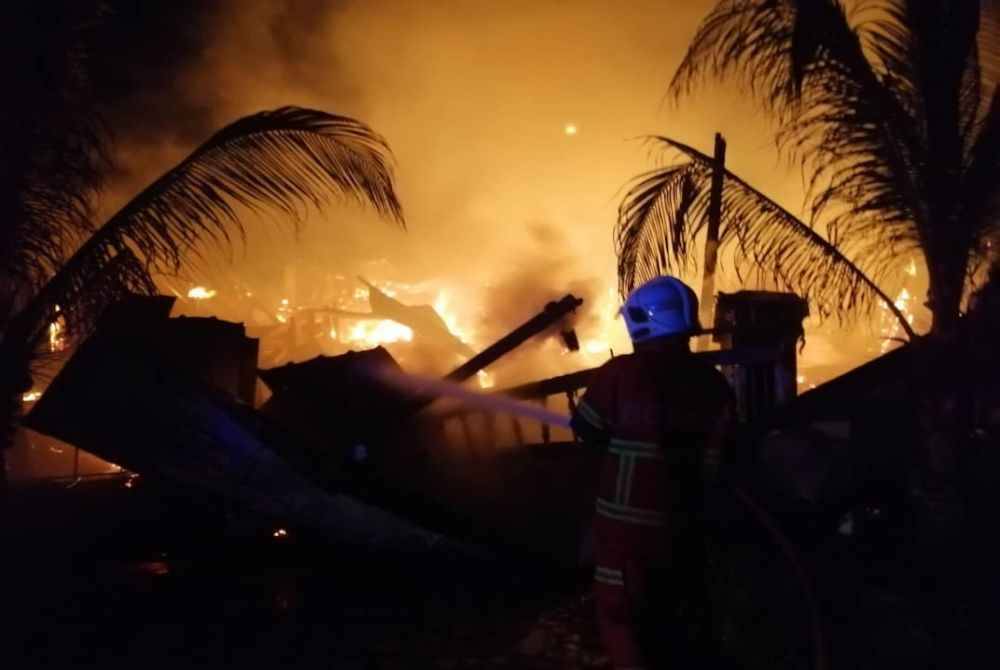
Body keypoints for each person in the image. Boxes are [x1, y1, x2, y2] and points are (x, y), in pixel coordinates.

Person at [571, 276, 735, 670]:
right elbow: (722, 459)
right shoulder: (715, 385)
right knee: (676, 627)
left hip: (624, 538)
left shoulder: (620, 374)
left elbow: (586, 433)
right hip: (686, 532)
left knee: (622, 623)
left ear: (644, 321)